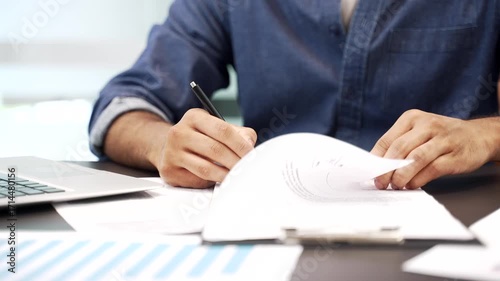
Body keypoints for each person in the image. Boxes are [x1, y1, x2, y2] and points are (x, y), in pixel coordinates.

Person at [89, 0, 500, 190]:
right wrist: (163, 145)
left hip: (454, 220)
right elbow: (123, 105)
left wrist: (484, 136)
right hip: (270, 229)